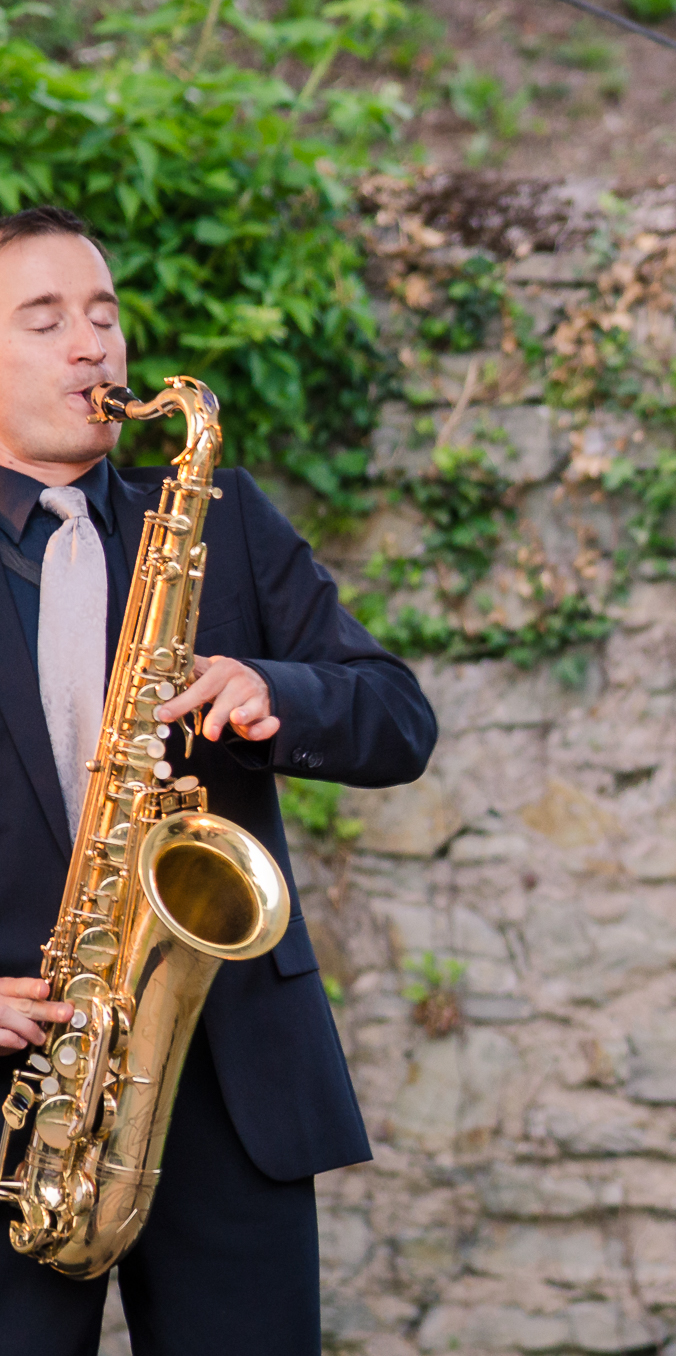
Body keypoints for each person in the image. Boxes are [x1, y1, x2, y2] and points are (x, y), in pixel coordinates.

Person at [0, 205, 437, 1353]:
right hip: (15, 1112)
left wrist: (274, 690)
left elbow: (397, 716)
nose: (90, 345)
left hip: (226, 1081)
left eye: (102, 313)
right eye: (43, 320)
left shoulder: (225, 524)